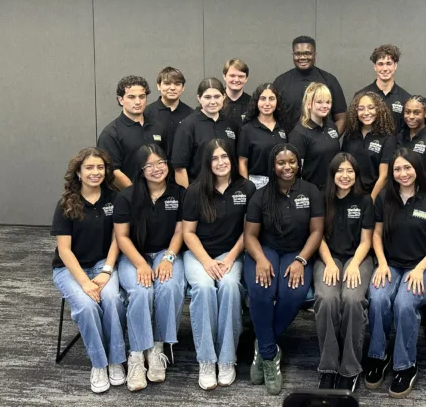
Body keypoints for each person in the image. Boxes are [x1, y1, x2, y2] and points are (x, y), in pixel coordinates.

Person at [364, 148, 426, 399]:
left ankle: (405, 365)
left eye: (407, 168)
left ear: (417, 169)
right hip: (390, 265)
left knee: (404, 303)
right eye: (397, 169)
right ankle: (378, 356)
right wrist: (381, 263)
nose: (402, 173)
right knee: (377, 299)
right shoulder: (385, 198)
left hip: (421, 267)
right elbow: (376, 234)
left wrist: (421, 268)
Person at [243, 144, 325, 395]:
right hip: (264, 249)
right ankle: (270, 355)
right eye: (281, 162)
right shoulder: (260, 195)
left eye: (292, 162)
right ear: (272, 165)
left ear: (298, 164)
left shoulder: (310, 191)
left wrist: (301, 260)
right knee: (261, 290)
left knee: (293, 294)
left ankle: (262, 345)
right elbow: (250, 235)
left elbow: (317, 232)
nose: (287, 167)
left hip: (298, 252)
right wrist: (260, 259)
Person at [183, 138, 256, 390]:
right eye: (214, 158)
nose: (221, 162)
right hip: (199, 254)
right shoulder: (195, 190)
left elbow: (249, 231)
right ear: (207, 162)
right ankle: (206, 360)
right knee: (203, 289)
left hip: (231, 254)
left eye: (225, 157)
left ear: (232, 159)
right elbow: (188, 233)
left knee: (230, 286)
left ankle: (226, 358)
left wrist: (230, 257)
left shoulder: (246, 188)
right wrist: (205, 261)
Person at [51, 147, 126, 394]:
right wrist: (85, 282)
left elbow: (119, 239)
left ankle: (116, 360)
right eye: (89, 168)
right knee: (86, 305)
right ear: (79, 173)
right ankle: (98, 364)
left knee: (113, 298)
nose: (96, 172)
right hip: (70, 269)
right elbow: (64, 250)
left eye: (100, 167)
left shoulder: (115, 199)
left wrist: (106, 271)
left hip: (103, 264)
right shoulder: (66, 203)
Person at [113, 144, 185, 392]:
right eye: (149, 165)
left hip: (167, 251)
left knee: (169, 287)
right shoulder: (127, 197)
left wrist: (169, 258)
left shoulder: (179, 193)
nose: (157, 169)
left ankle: (156, 348)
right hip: (135, 254)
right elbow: (122, 237)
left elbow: (180, 231)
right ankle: (136, 355)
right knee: (142, 291)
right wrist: (141, 263)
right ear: (141, 170)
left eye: (161, 163)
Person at [313, 153, 375, 392]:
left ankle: (349, 368)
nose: (345, 176)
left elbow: (366, 240)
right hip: (328, 257)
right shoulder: (321, 197)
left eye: (350, 171)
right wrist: (329, 262)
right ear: (332, 173)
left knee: (353, 299)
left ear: (356, 174)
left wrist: (353, 264)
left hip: (357, 257)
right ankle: (328, 367)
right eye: (340, 171)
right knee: (327, 299)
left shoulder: (364, 200)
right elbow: (316, 235)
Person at [98, 75, 167, 189]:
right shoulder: (111, 133)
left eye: (142, 96)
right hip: (127, 199)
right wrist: (135, 195)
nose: (138, 102)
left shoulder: (158, 127)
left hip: (158, 195)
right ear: (121, 100)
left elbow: (165, 162)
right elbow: (113, 171)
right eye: (131, 97)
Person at [172, 77, 239, 188]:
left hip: (228, 191)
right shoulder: (187, 126)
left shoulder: (231, 125)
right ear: (199, 98)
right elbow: (180, 168)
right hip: (199, 191)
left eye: (217, 96)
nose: (212, 102)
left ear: (224, 96)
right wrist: (188, 197)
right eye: (207, 97)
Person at [273, 35, 347, 134]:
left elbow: (341, 118)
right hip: (289, 146)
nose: (302, 57)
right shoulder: (280, 82)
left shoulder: (329, 80)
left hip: (323, 147)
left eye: (307, 53)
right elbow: (271, 117)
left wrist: (331, 141)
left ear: (315, 54)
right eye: (298, 54)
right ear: (293, 55)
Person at [341, 91, 397, 199]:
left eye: (371, 107)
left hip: (374, 196)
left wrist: (371, 201)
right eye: (361, 109)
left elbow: (384, 176)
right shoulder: (349, 136)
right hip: (349, 195)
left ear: (379, 109)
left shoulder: (387, 138)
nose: (366, 113)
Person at [288, 82, 341, 190]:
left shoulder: (331, 126)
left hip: (334, 189)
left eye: (328, 102)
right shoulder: (299, 133)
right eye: (319, 102)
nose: (325, 106)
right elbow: (295, 171)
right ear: (308, 104)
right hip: (312, 191)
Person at [238, 82, 288, 189]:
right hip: (256, 187)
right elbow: (242, 162)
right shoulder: (247, 129)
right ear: (256, 101)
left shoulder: (283, 127)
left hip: (280, 185)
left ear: (277, 101)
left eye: (271, 99)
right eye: (263, 98)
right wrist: (247, 188)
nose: (267, 103)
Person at [355, 44, 411, 134]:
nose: (385, 69)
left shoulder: (406, 98)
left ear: (395, 66)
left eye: (389, 63)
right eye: (380, 64)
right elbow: (354, 129)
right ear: (375, 67)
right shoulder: (361, 96)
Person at [144, 66, 194, 161]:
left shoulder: (191, 115)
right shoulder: (146, 113)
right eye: (167, 83)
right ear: (158, 86)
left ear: (183, 87)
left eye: (177, 84)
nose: (172, 88)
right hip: (154, 172)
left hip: (185, 172)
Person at [221, 59, 251, 130]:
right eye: (232, 76)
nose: (236, 80)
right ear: (224, 76)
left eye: (241, 76)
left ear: (246, 78)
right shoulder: (215, 102)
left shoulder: (253, 103)